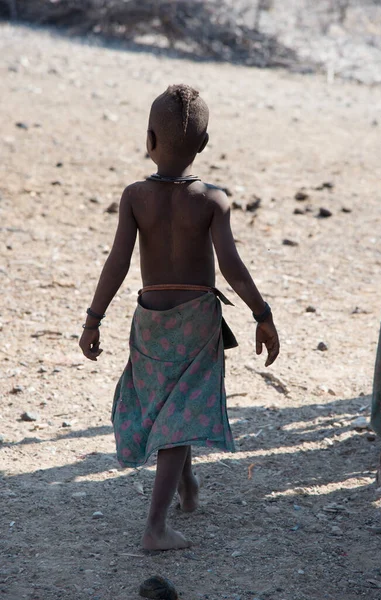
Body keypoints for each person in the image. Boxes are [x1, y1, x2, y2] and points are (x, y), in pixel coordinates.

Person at [79, 84, 280, 551]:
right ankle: (155, 527)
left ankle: (187, 488)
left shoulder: (134, 196)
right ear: (204, 145)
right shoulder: (213, 199)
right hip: (197, 319)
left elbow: (118, 262)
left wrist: (93, 319)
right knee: (183, 405)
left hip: (150, 317)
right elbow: (231, 266)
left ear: (149, 139)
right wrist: (262, 314)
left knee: (172, 404)